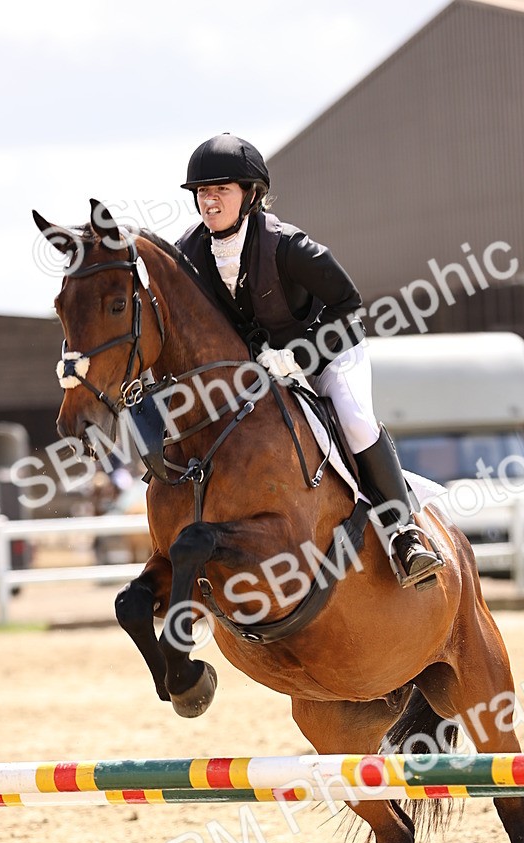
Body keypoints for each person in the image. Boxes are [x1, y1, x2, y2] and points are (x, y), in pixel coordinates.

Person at [175, 133, 443, 588]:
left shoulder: (289, 247)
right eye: (203, 191)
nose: (210, 200)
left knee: (356, 421)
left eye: (221, 189)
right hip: (262, 371)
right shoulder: (191, 252)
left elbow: (349, 306)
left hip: (333, 351)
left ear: (250, 194)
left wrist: (301, 355)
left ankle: (405, 534)